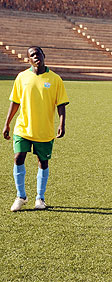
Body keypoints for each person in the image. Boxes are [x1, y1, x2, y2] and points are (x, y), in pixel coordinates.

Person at [3, 46, 69, 212]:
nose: (36, 56)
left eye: (38, 53)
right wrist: (7, 123)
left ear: (43, 55)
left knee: (43, 162)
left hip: (44, 130)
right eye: (32, 55)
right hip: (23, 128)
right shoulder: (22, 77)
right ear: (29, 59)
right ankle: (21, 196)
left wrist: (62, 123)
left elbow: (61, 104)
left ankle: (40, 198)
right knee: (18, 157)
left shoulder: (55, 79)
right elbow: (15, 102)